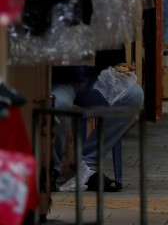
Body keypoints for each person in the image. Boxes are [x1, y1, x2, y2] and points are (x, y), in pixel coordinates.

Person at [51, 47, 144, 192]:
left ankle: (87, 164)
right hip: (59, 80)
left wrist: (118, 62)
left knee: (134, 96)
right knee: (58, 105)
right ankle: (51, 170)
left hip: (92, 78)